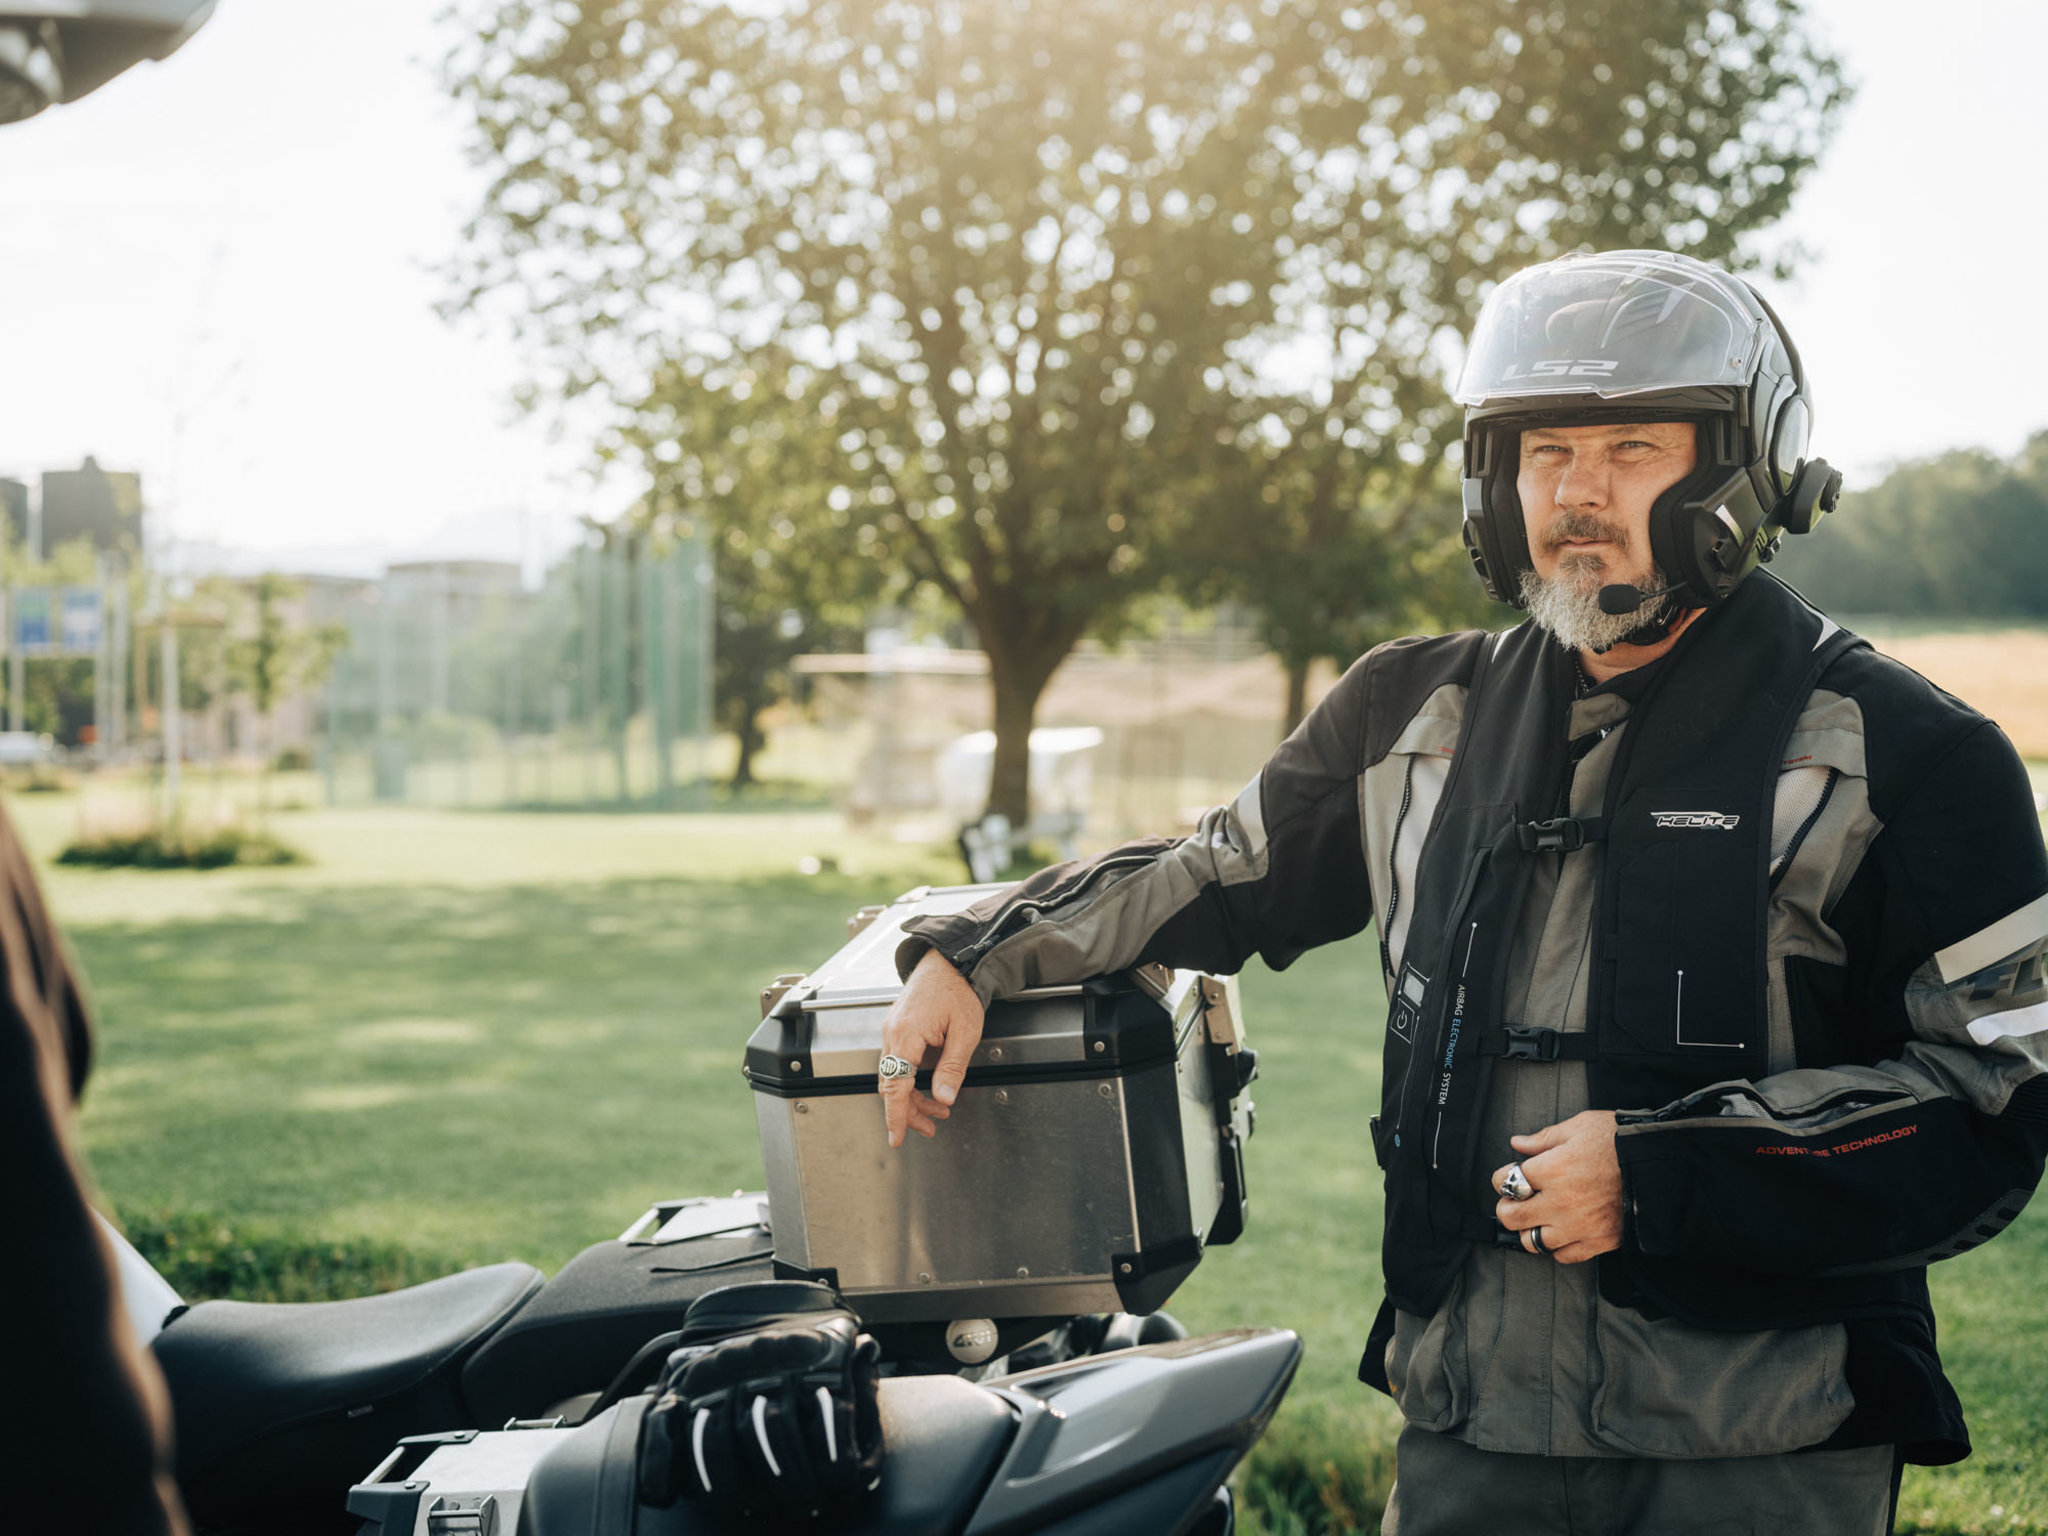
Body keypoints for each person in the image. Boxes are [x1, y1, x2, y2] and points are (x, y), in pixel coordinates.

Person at [873, 250, 2048, 1534]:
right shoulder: (1407, 712)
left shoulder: (1914, 756)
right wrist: (979, 949)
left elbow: (1993, 1099)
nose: (1576, 496)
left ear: (1742, 470)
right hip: (1469, 1423)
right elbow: (1212, 874)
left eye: (1631, 450)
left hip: (1763, 1437)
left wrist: (1666, 1176)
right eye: (1544, 453)